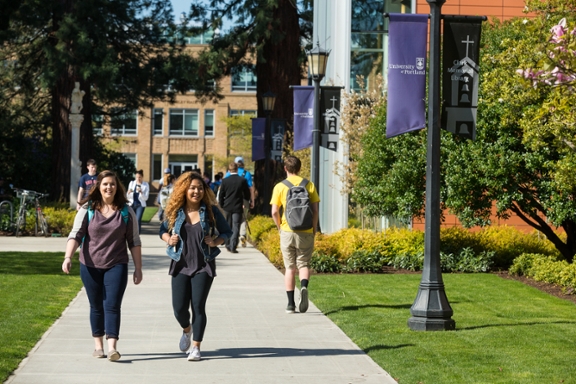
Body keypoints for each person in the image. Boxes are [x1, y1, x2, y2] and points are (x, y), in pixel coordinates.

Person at [62, 170, 143, 361]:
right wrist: (68, 257)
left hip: (117, 263)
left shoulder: (126, 211)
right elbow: (76, 234)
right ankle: (98, 346)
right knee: (96, 305)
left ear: (118, 187)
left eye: (112, 184)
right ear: (98, 186)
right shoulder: (87, 209)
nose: (109, 187)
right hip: (90, 265)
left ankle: (112, 347)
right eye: (105, 184)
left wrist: (138, 268)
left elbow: (134, 241)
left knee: (113, 305)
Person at [159, 171, 232, 361]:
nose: (196, 191)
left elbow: (226, 231)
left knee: (198, 306)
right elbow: (162, 230)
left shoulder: (210, 211)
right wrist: (169, 238)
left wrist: (215, 242)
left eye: (200, 188)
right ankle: (187, 329)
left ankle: (196, 347)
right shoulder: (176, 210)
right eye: (192, 188)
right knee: (179, 309)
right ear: (184, 189)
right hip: (180, 264)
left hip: (203, 265)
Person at [270, 155, 320, 314]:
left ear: (285, 168)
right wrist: (313, 228)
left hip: (287, 230)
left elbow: (274, 211)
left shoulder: (279, 187)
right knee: (304, 264)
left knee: (290, 268)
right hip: (305, 231)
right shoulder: (309, 185)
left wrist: (279, 227)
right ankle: (304, 286)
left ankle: (290, 304)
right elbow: (316, 210)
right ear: (299, 168)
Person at [218, 162, 250, 253]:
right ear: (237, 169)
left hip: (227, 206)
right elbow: (246, 194)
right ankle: (233, 246)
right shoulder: (242, 180)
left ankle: (227, 244)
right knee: (236, 226)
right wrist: (245, 202)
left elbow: (221, 195)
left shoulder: (225, 181)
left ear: (229, 170)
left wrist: (221, 205)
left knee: (227, 225)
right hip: (238, 206)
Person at [225, 157, 255, 247]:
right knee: (242, 218)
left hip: (231, 200)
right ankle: (242, 234)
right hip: (244, 200)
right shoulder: (247, 174)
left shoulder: (228, 174)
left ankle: (230, 238)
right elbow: (251, 189)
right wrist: (252, 200)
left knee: (231, 219)